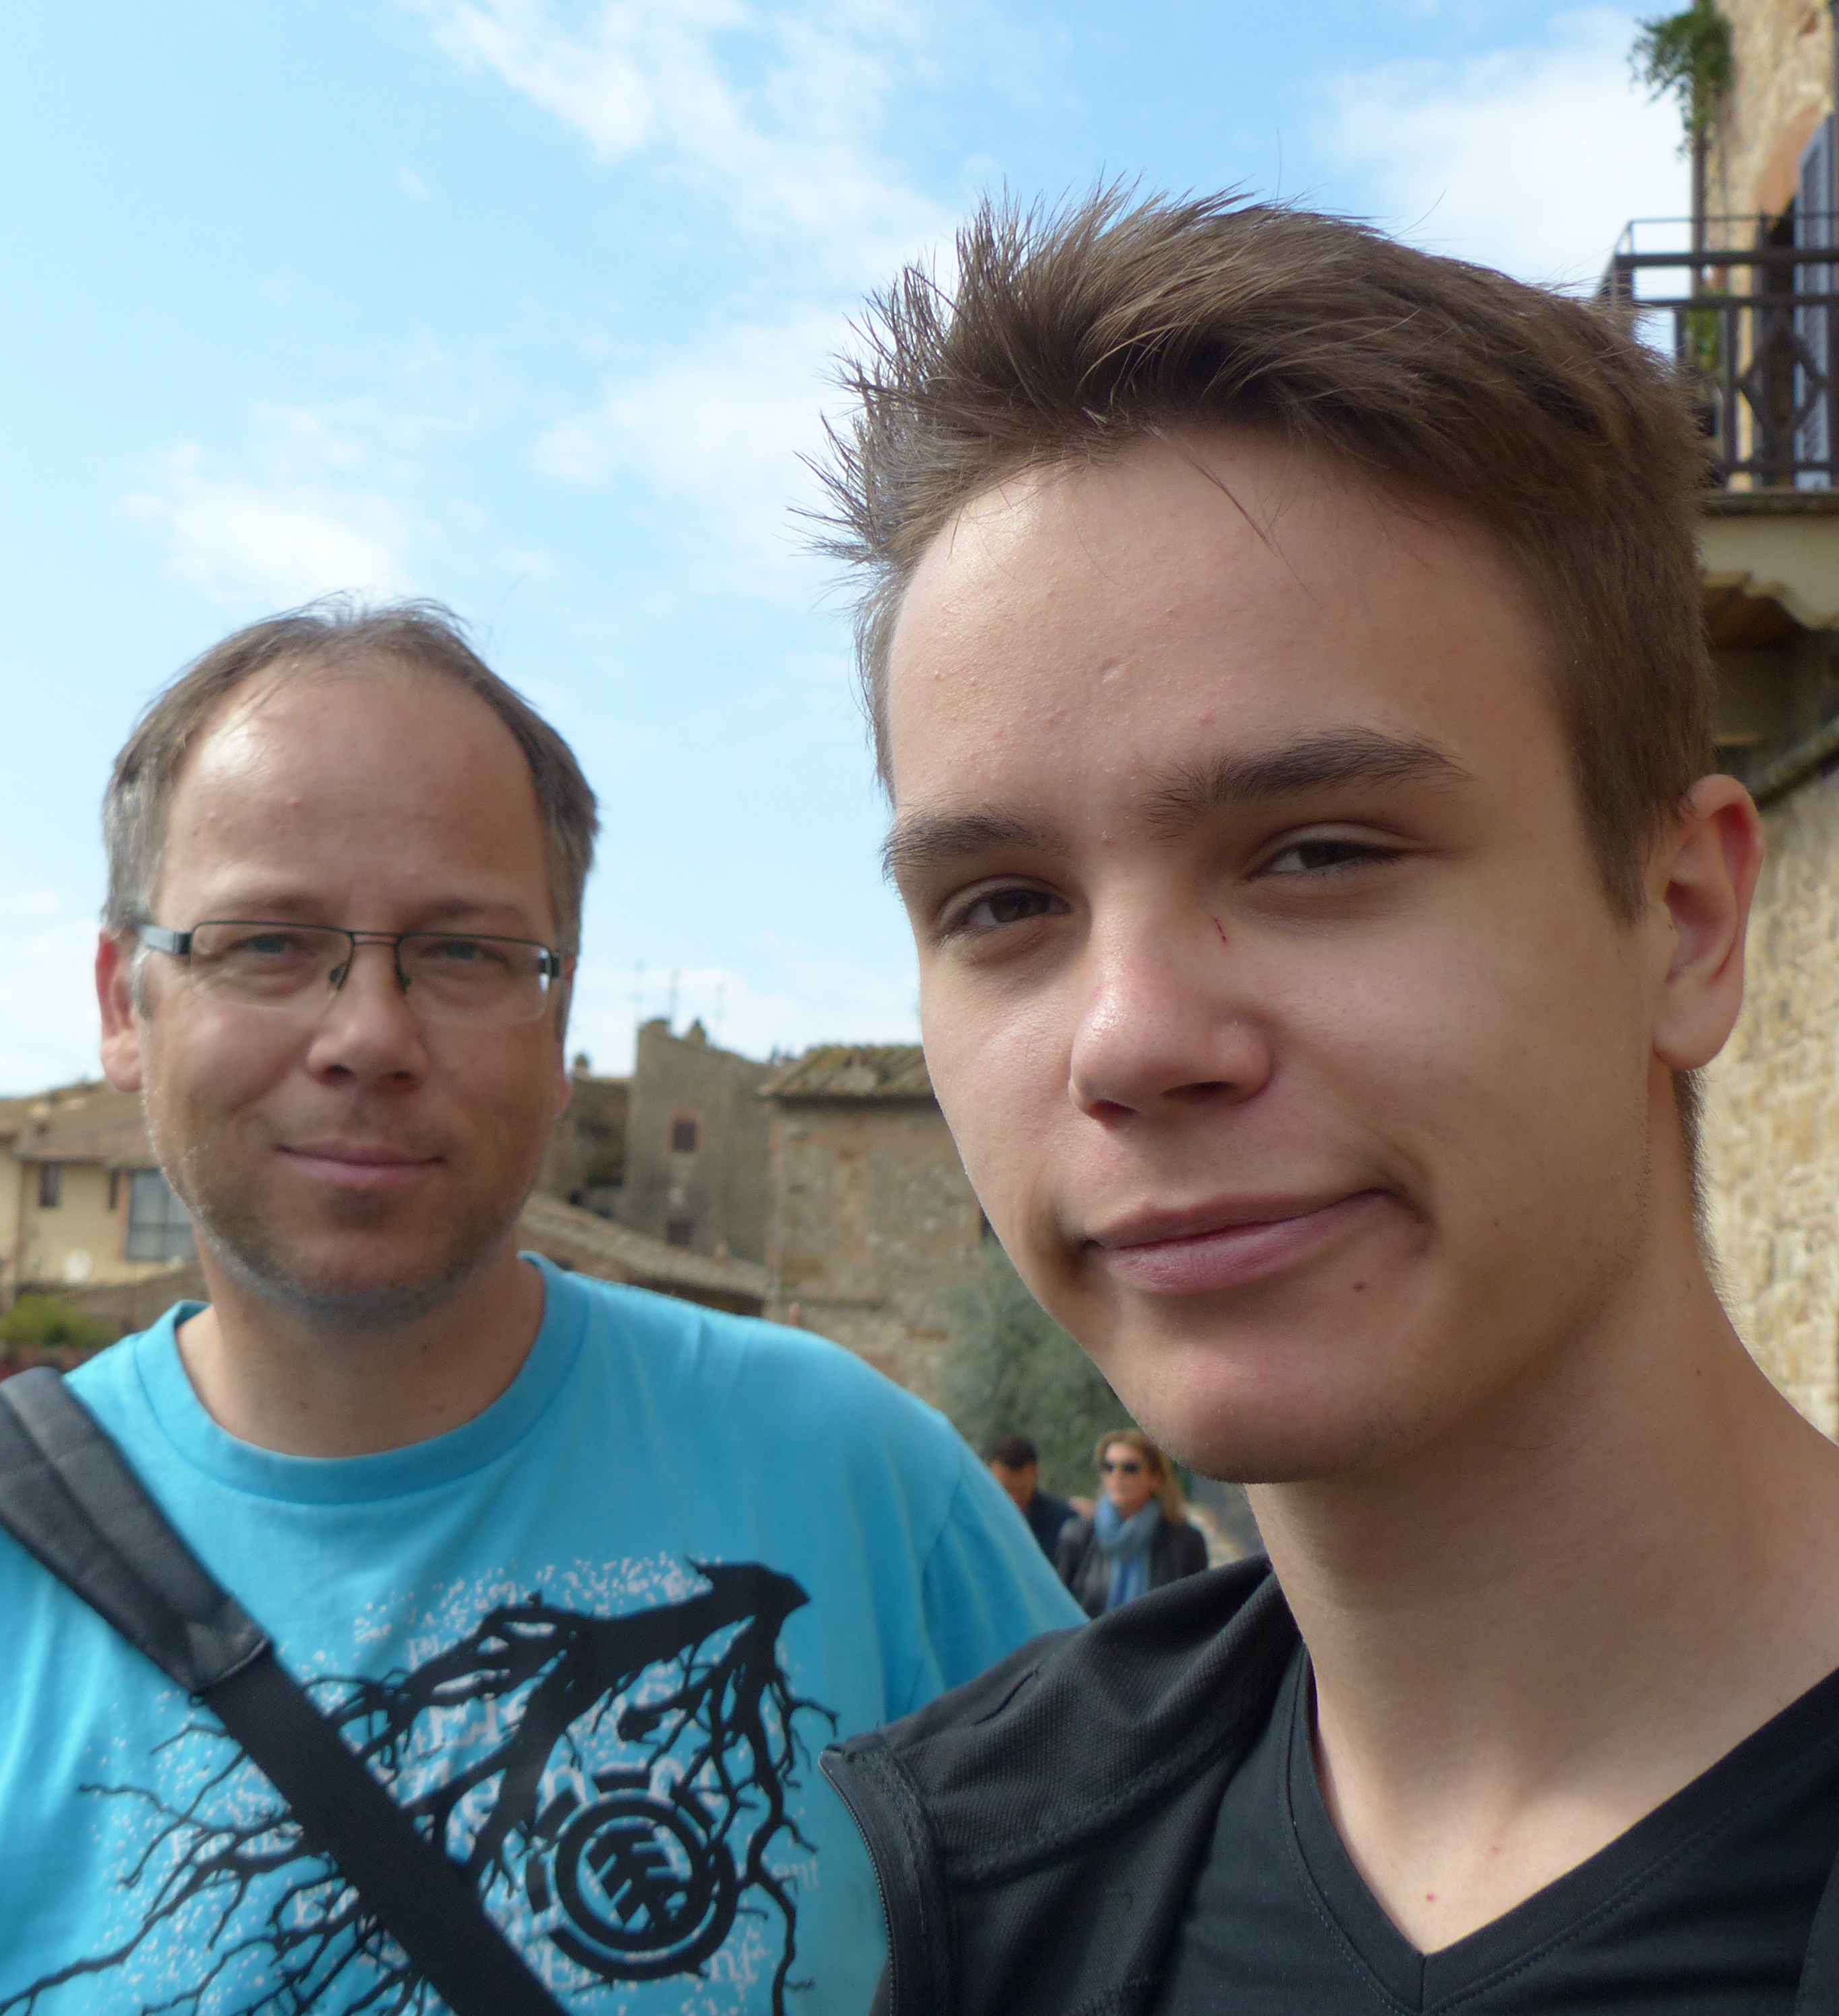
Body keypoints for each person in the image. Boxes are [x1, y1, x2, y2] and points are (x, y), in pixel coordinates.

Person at [0, 601, 1078, 2016]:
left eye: (462, 953)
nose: (368, 1036)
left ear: (559, 1022)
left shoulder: (861, 1486)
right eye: (267, 943)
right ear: (123, 1002)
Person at [810, 192, 1839, 2015]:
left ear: (1682, 921)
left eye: (1315, 852)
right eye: (1003, 904)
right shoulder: (974, 1884)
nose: (1128, 1040)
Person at [1049, 1429, 1207, 1617]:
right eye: (1109, 1467)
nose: (1117, 1475)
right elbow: (1057, 1608)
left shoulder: (1185, 1542)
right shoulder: (1078, 1535)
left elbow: (1198, 1613)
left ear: (1156, 1478)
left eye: (1130, 1468)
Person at [980, 1430, 1073, 1562]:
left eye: (1021, 1490)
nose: (1013, 1499)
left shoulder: (1064, 1523)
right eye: (1005, 1490)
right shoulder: (977, 1521)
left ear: (1035, 1472)